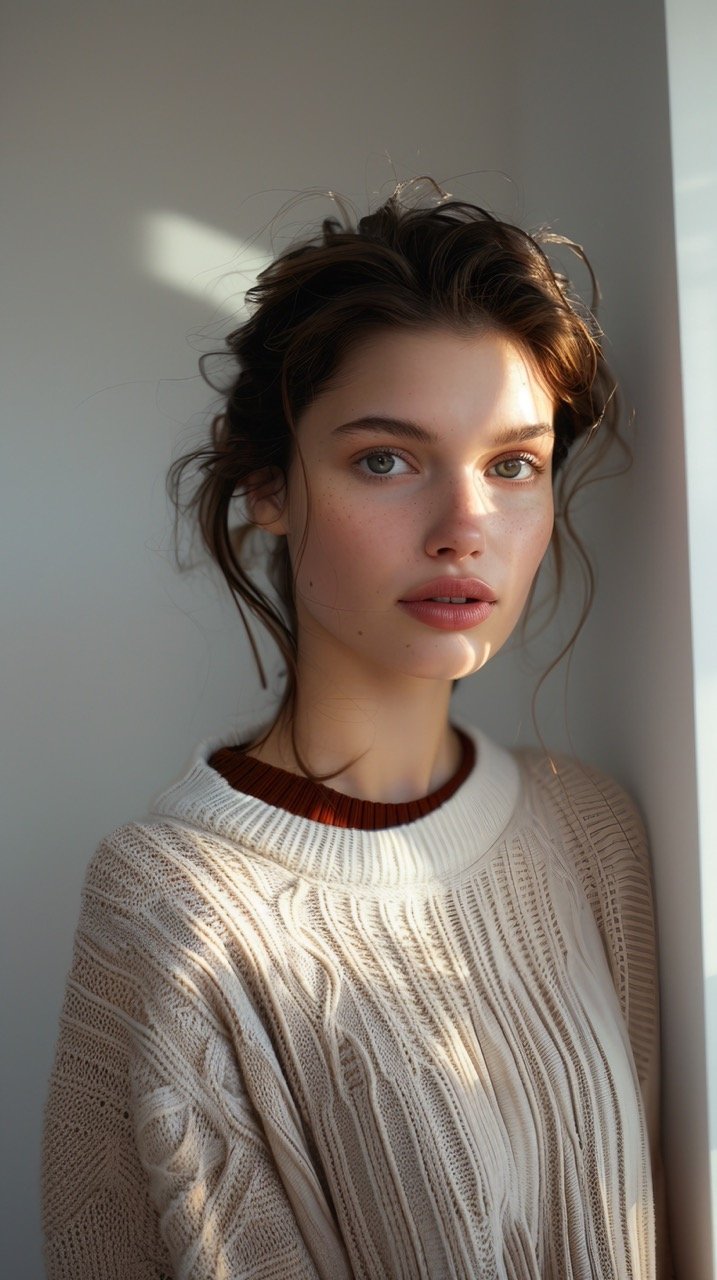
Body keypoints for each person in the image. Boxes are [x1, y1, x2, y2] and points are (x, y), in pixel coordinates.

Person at [42, 179, 673, 1278]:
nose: (464, 528)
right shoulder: (172, 905)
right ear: (268, 489)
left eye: (512, 463)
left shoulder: (590, 828)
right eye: (386, 457)